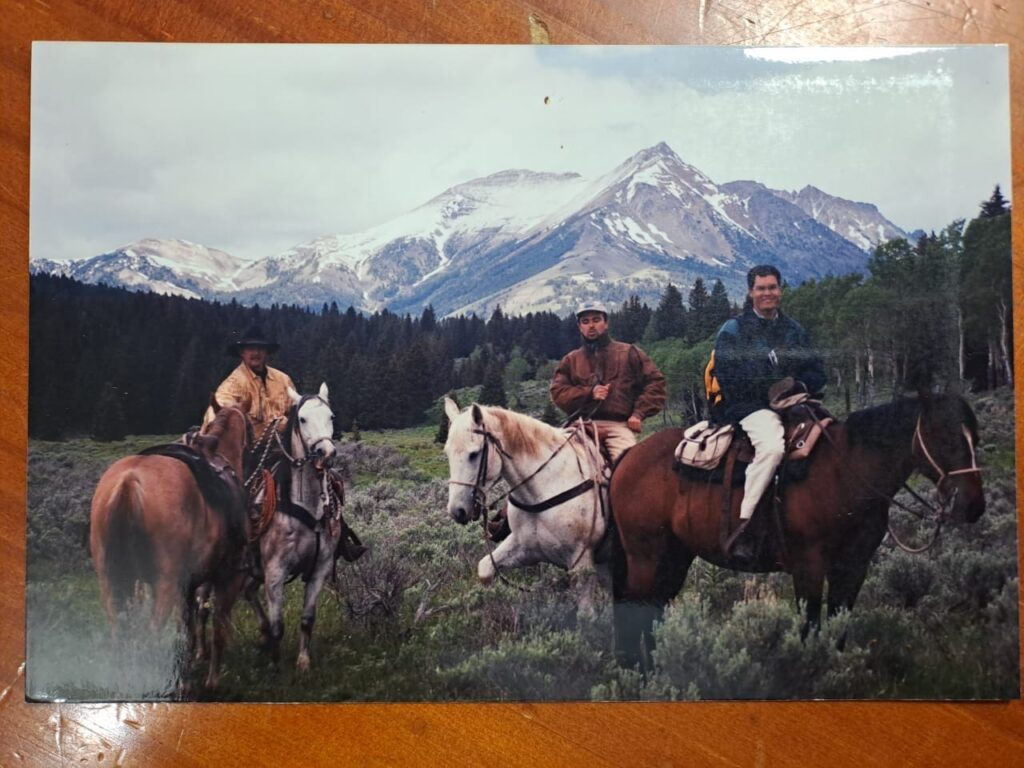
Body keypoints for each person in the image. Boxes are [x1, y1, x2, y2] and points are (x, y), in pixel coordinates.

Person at [713, 265, 826, 557]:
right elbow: (727, 377)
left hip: (796, 402)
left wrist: (798, 385)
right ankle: (746, 525)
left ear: (781, 290)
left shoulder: (794, 330)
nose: (768, 293)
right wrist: (770, 390)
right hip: (748, 406)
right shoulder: (733, 331)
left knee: (830, 435)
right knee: (773, 448)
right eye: (761, 288)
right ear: (751, 292)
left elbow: (817, 370)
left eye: (772, 287)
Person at [550, 302, 666, 463]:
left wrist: (638, 414)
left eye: (596, 320)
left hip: (618, 427)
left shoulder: (628, 352)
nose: (591, 326)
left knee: (629, 469)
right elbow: (558, 392)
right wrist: (589, 393)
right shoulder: (571, 359)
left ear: (606, 323)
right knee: (554, 464)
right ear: (579, 327)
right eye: (586, 322)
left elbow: (656, 383)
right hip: (580, 426)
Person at [201, 325, 297, 438]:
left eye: (260, 348)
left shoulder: (284, 380)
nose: (256, 353)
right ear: (242, 353)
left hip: (285, 447)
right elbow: (219, 409)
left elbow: (297, 412)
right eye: (251, 349)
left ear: (266, 352)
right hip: (250, 451)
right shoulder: (233, 384)